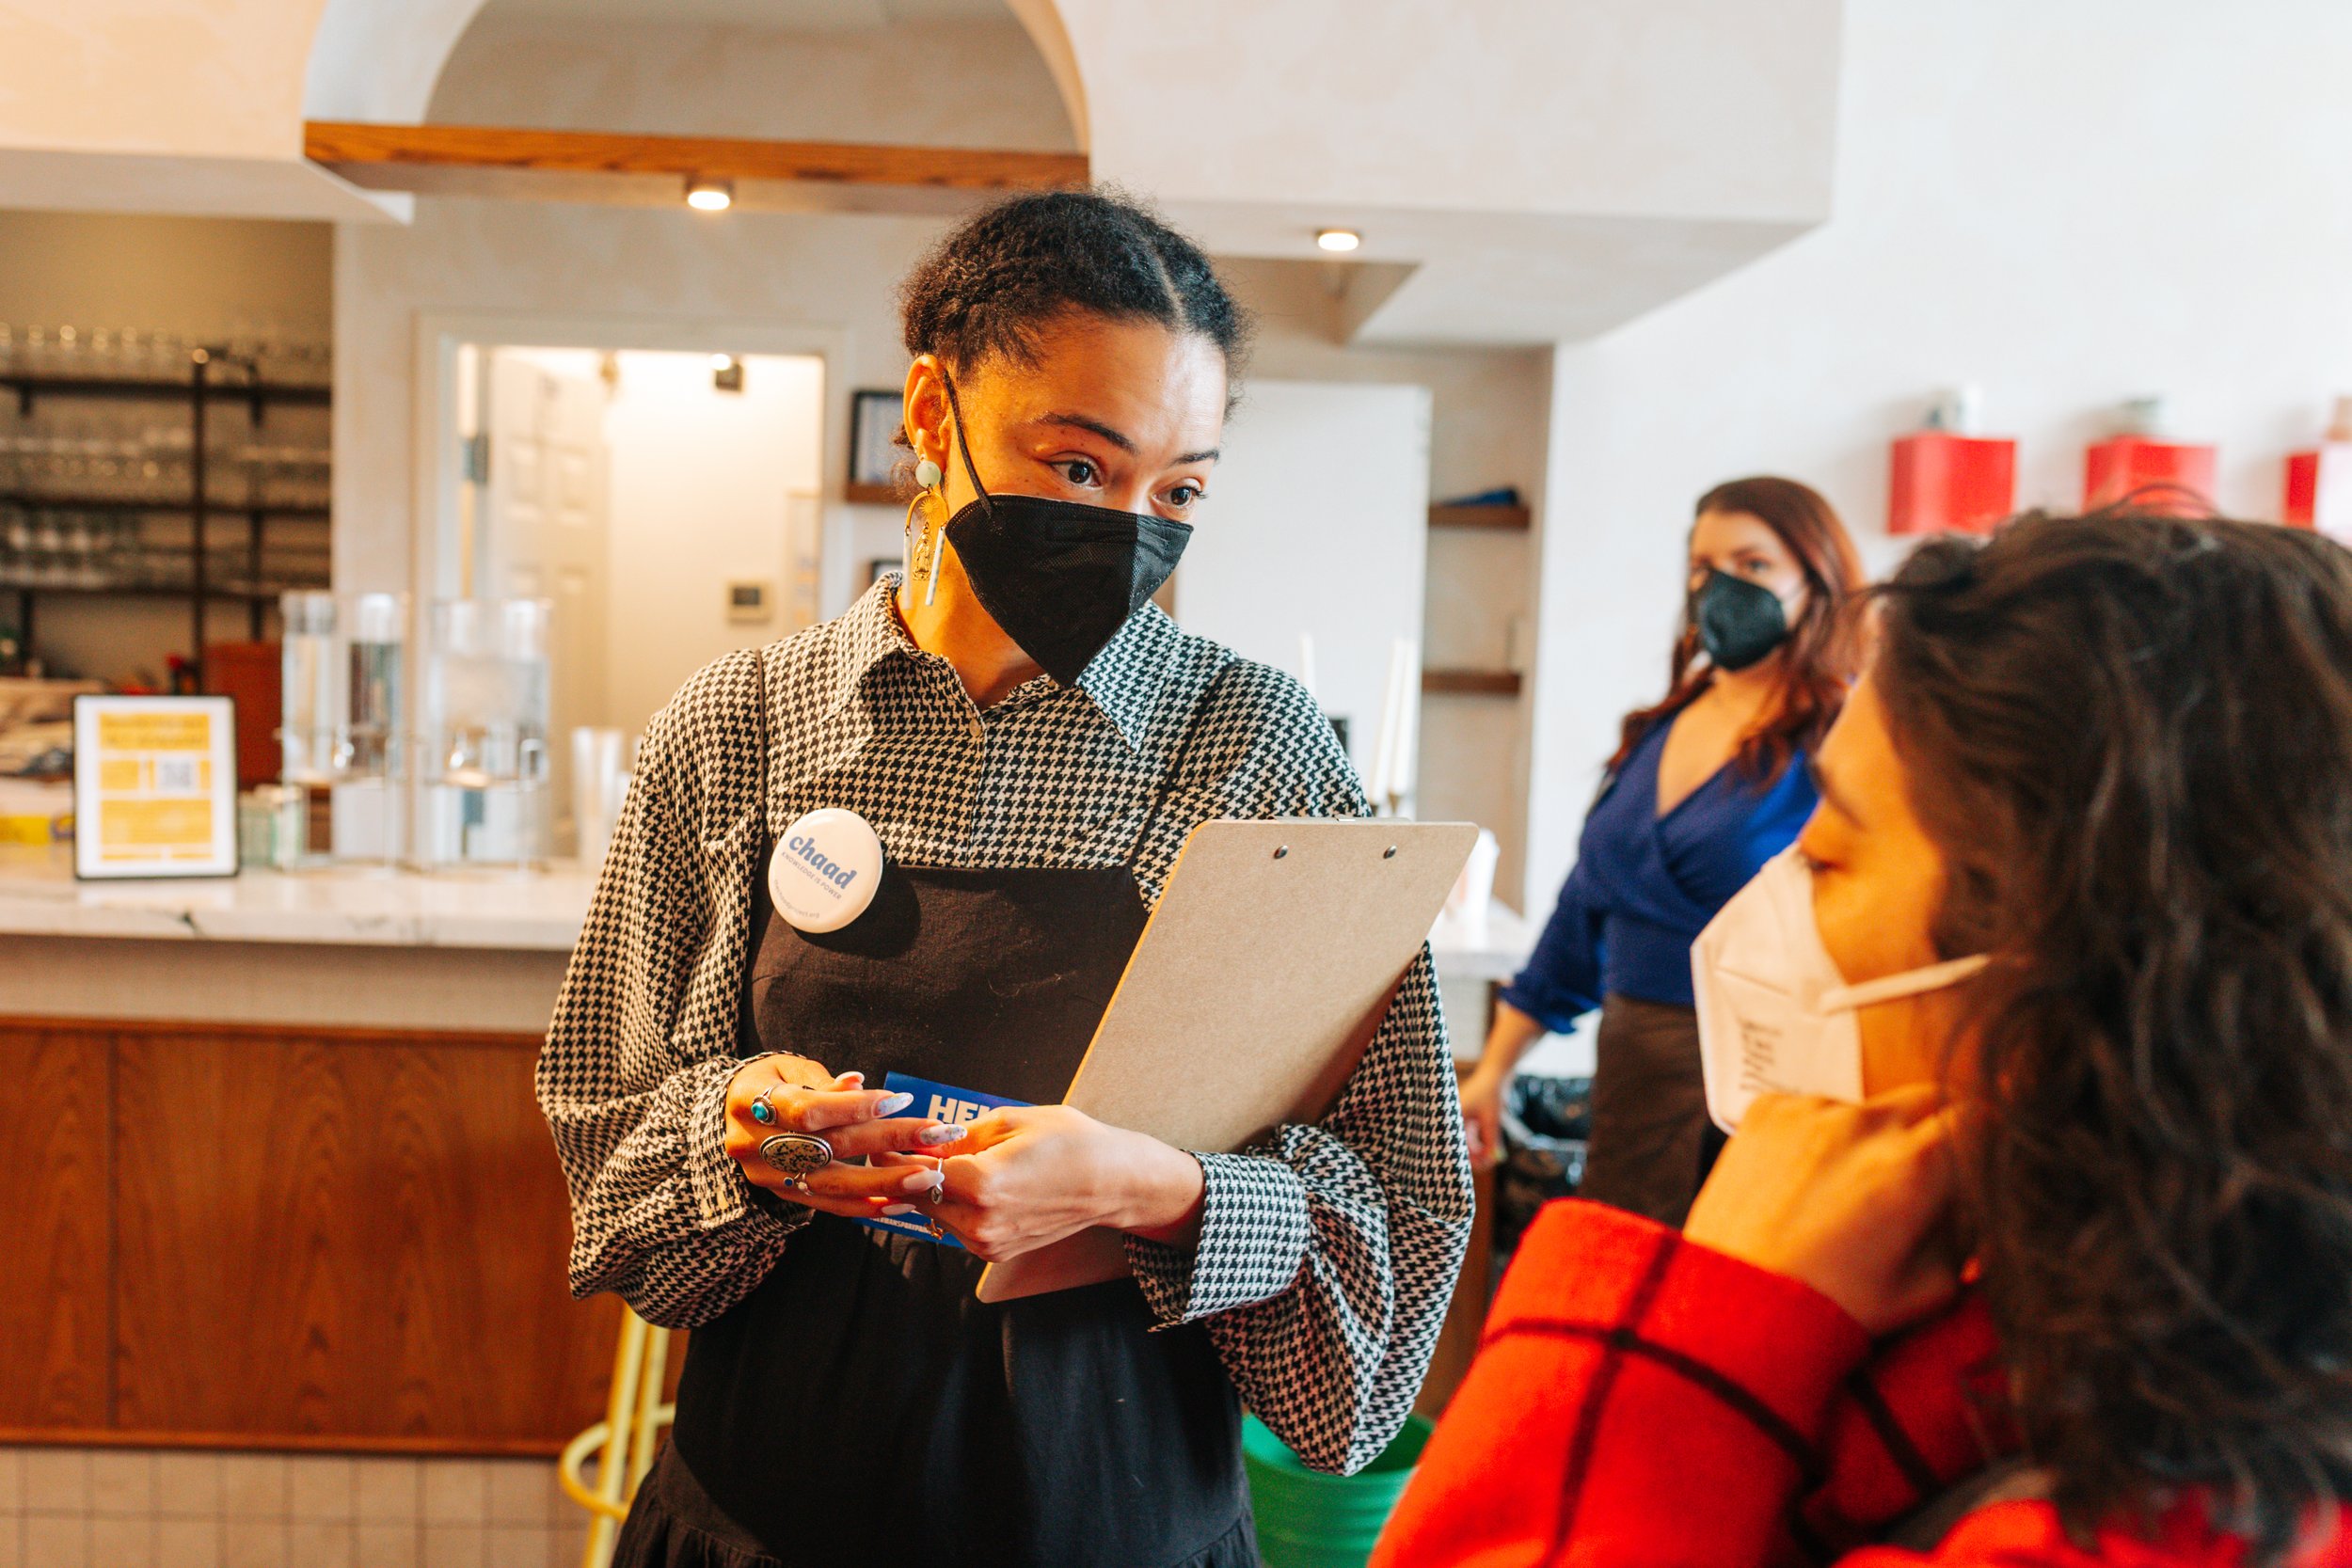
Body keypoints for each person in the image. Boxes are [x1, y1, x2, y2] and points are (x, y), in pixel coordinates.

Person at [536, 189, 1474, 1568]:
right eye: (1081, 467)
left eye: (1181, 490)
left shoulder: (1254, 749)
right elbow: (607, 1182)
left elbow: (1386, 1269)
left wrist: (1154, 1187)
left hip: (1124, 1521)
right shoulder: (740, 725)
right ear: (931, 411)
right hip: (761, 1521)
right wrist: (763, 1140)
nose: (1130, 526)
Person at [1375, 508, 2352, 1567]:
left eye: (1830, 857)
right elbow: (1581, 903)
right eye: (1701, 564)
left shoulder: (2113, 1531)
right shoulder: (2064, 1337)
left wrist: (1693, 1330)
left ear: (2040, 960)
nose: (1771, 910)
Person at [1460, 477, 1863, 1224]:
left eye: (1753, 565)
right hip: (1633, 1073)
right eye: (1704, 566)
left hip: (1765, 1092)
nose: (1720, 587)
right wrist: (1495, 1068)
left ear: (1818, 579)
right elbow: (1583, 910)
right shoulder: (1658, 728)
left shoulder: (1846, 739)